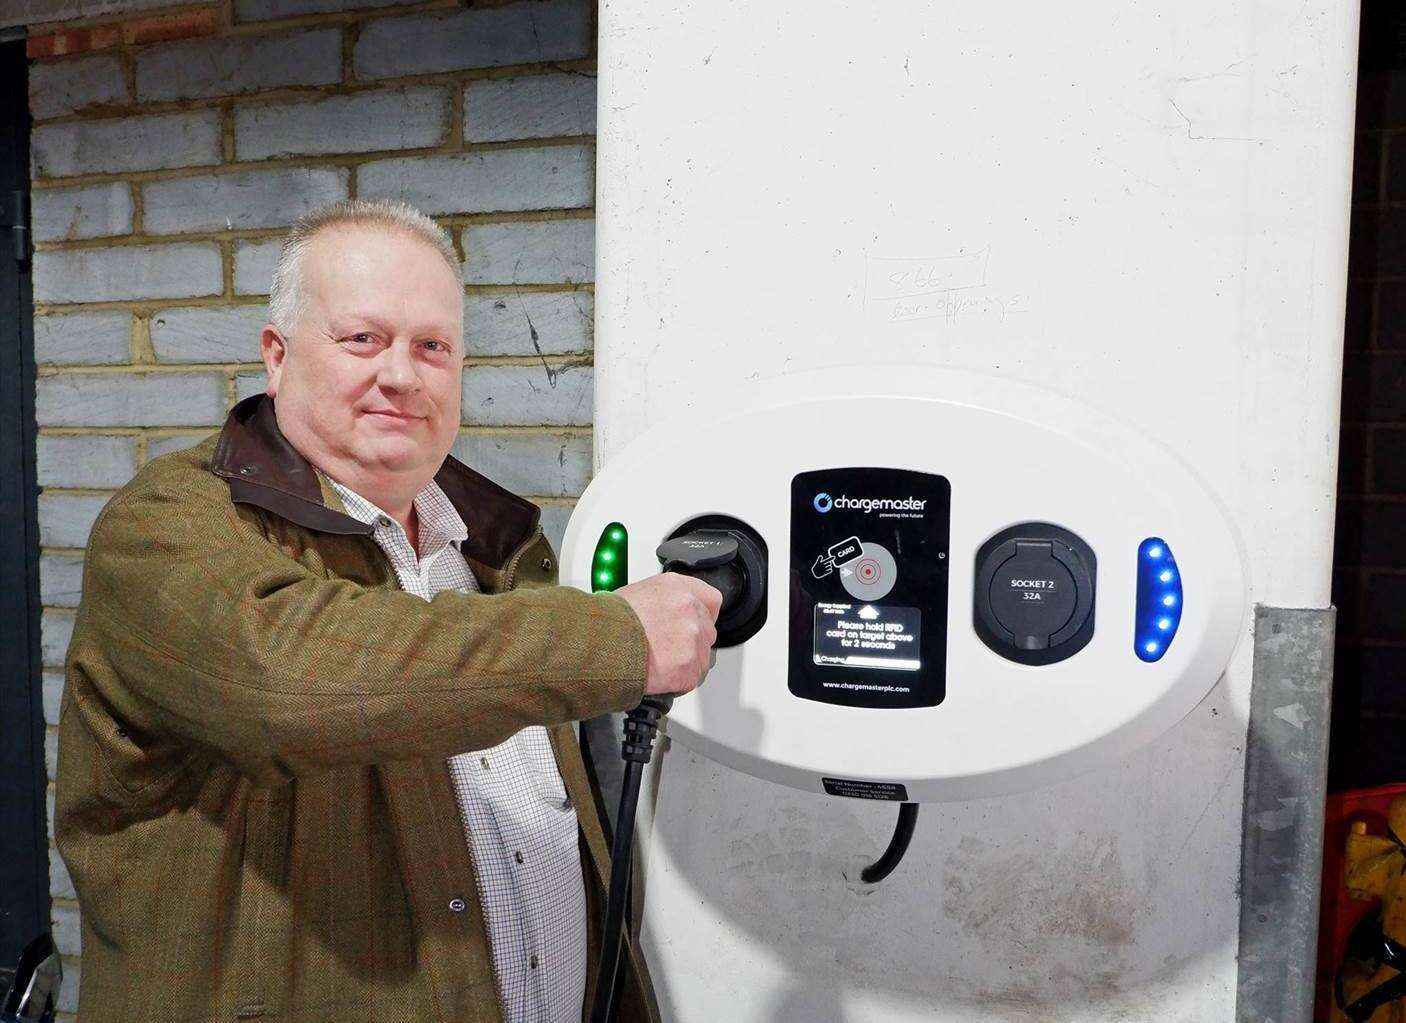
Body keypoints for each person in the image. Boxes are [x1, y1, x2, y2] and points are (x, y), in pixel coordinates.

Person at [54, 199, 721, 1023]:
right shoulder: (167, 527)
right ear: (277, 354)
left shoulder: (497, 552)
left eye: (432, 347)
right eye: (362, 339)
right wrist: (618, 635)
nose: (401, 374)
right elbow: (294, 680)